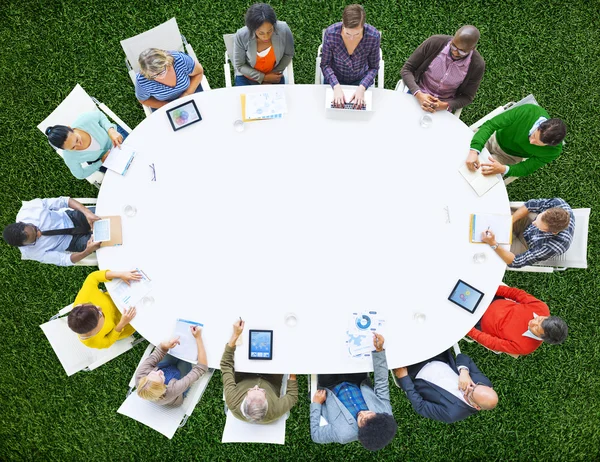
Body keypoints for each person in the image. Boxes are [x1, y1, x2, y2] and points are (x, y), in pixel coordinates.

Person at [311, 333, 397, 451]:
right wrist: (379, 351)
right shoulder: (384, 413)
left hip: (329, 386)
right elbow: (381, 382)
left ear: (360, 431)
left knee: (324, 349)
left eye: (361, 420)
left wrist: (316, 404)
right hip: (356, 380)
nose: (361, 413)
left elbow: (315, 435)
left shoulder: (342, 434)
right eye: (369, 413)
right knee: (350, 343)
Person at [221, 319, 298, 423]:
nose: (258, 387)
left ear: (245, 399)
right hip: (272, 373)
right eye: (262, 391)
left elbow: (226, 365)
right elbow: (292, 396)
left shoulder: (233, 401)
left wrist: (235, 334)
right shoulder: (275, 411)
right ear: (266, 404)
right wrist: (291, 369)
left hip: (244, 372)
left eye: (252, 390)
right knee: (281, 336)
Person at [393, 348, 498, 423]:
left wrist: (404, 378)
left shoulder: (451, 413)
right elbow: (464, 358)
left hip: (414, 369)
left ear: (476, 407)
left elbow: (421, 406)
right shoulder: (484, 384)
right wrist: (464, 371)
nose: (470, 387)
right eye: (475, 386)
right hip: (437, 354)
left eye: (471, 393)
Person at [465, 104, 567, 179]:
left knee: (477, 176)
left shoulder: (553, 151)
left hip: (509, 157)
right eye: (534, 135)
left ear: (550, 145)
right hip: (493, 137)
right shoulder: (528, 111)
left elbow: (526, 168)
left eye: (537, 143)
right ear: (540, 125)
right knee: (464, 153)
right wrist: (474, 150)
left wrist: (504, 169)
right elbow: (490, 125)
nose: (531, 141)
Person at [401, 25, 485, 113]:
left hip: (443, 106)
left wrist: (446, 105)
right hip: (418, 93)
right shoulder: (434, 42)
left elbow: (467, 97)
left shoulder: (477, 65)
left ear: (473, 48)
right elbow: (407, 69)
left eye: (462, 51)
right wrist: (418, 94)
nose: (455, 53)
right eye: (453, 46)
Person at [467, 285, 568, 356]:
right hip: (492, 299)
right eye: (540, 319)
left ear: (542, 338)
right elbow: (515, 294)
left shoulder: (525, 347)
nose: (533, 322)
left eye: (536, 328)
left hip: (477, 321)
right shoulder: (541, 308)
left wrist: (468, 330)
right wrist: (490, 290)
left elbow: (493, 343)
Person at [3, 197, 101, 266]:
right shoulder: (31, 253)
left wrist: (86, 212)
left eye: (35, 228)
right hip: (73, 242)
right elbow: (64, 260)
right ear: (24, 245)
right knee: (106, 239)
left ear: (22, 222)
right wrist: (87, 251)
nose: (39, 233)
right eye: (35, 239)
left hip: (72, 218)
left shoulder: (29, 209)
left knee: (105, 216)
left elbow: (64, 201)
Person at [481, 198, 574, 268]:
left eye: (538, 226)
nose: (534, 223)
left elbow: (515, 262)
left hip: (525, 245)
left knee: (488, 252)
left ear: (553, 232)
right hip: (525, 223)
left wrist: (493, 244)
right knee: (490, 215)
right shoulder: (559, 204)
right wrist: (509, 222)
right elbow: (530, 205)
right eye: (538, 218)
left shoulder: (554, 246)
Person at [321, 4, 381, 108]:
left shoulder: (373, 36)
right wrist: (335, 86)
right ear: (343, 24)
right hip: (334, 79)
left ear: (363, 26)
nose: (352, 38)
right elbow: (325, 65)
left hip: (361, 80)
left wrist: (362, 87)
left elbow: (374, 67)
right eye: (348, 34)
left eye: (357, 34)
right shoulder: (331, 33)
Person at [136, 327, 208, 407]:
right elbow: (201, 368)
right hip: (177, 391)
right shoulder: (172, 391)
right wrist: (198, 338)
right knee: (187, 357)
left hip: (164, 378)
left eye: (153, 373)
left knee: (177, 350)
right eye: (160, 376)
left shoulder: (141, 375)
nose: (159, 372)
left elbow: (159, 351)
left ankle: (163, 374)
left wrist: (165, 346)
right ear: (163, 387)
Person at [67, 270, 140, 349]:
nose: (100, 308)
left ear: (81, 305)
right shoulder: (92, 341)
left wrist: (119, 274)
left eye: (94, 306)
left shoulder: (84, 297)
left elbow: (93, 277)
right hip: (129, 322)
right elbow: (108, 341)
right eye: (100, 314)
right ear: (95, 330)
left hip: (122, 296)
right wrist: (122, 324)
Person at [45, 111, 128, 180]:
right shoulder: (69, 157)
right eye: (73, 147)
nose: (79, 144)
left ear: (70, 128)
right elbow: (80, 174)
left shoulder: (85, 120)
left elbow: (100, 116)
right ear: (64, 149)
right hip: (104, 160)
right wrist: (100, 162)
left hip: (116, 137)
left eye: (77, 139)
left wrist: (110, 130)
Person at [233, 3, 295, 86]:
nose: (266, 37)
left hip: (274, 76)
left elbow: (288, 54)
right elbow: (240, 65)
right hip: (247, 78)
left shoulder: (284, 30)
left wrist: (272, 76)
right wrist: (264, 78)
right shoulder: (241, 35)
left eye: (270, 31)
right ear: (252, 29)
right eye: (261, 33)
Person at [135, 48, 204, 110]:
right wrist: (167, 106)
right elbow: (143, 100)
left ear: (167, 63)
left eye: (161, 72)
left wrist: (187, 94)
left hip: (191, 92)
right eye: (153, 76)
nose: (158, 77)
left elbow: (199, 72)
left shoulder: (180, 59)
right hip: (165, 105)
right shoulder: (142, 80)